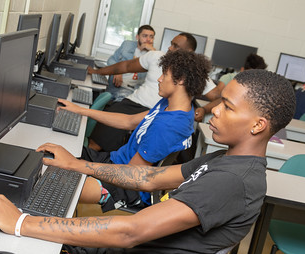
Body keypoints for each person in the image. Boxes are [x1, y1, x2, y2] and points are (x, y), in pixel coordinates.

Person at [0, 69, 296, 254]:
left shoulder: (235, 182)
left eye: (227, 106)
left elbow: (129, 231)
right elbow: (149, 177)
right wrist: (79, 165)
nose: (214, 111)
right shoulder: (224, 160)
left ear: (258, 125)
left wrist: (20, 221)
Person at [59, 50, 212, 210]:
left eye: (164, 75)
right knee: (57, 151)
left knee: (55, 183)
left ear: (180, 80)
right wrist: (81, 110)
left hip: (126, 186)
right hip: (116, 162)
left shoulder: (168, 126)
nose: (159, 79)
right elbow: (129, 121)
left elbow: (130, 174)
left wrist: (77, 165)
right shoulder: (171, 106)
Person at [87, 32, 216, 152]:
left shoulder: (194, 72)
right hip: (134, 104)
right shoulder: (156, 56)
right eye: (171, 44)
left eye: (175, 46)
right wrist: (97, 72)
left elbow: (220, 98)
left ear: (189, 52)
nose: (170, 48)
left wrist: (204, 110)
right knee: (96, 143)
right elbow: (125, 66)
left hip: (160, 113)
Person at [195, 53, 267, 122]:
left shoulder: (262, 91)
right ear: (242, 70)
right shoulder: (230, 78)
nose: (252, 80)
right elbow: (219, 97)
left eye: (256, 76)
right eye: (250, 75)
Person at [106, 25, 156, 102]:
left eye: (151, 37)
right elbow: (111, 60)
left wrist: (153, 52)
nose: (148, 39)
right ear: (137, 37)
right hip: (116, 86)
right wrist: (117, 71)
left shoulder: (153, 55)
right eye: (145, 36)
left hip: (132, 91)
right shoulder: (127, 45)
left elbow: (158, 74)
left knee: (121, 102)